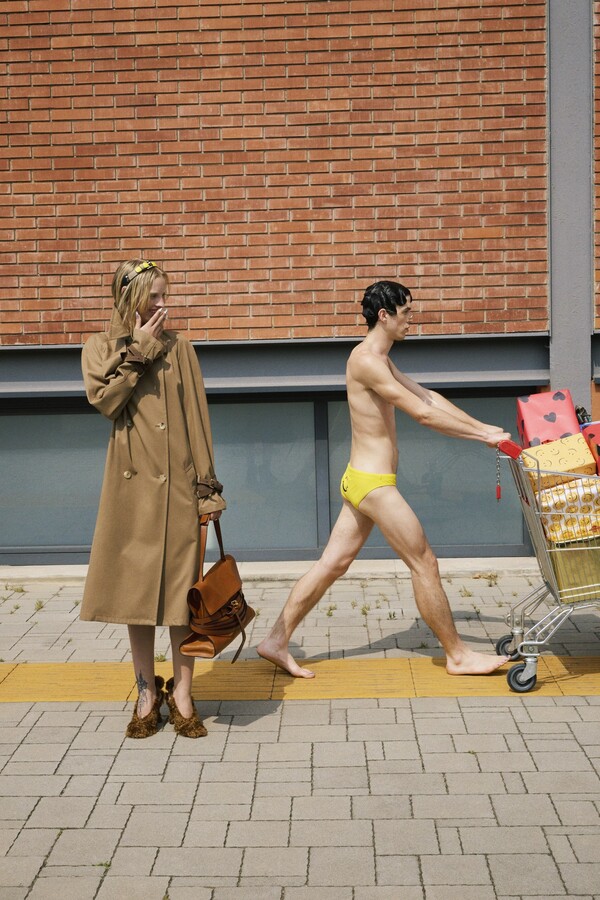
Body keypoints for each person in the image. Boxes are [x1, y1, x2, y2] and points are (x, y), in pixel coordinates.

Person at [257, 280, 511, 678]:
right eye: (406, 313)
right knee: (424, 562)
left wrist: (483, 426)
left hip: (364, 480)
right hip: (374, 486)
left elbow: (427, 397)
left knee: (331, 564)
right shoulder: (366, 361)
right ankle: (458, 655)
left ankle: (275, 640)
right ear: (384, 315)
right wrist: (481, 438)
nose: (412, 320)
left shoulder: (380, 358)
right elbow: (422, 414)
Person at [80, 259, 226, 738]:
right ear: (131, 299)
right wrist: (139, 349)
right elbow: (105, 402)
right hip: (131, 491)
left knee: (184, 598)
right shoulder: (100, 347)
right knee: (136, 597)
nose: (164, 304)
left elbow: (198, 418)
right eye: (154, 297)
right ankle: (146, 691)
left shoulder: (180, 348)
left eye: (166, 294)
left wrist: (208, 488)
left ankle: (182, 693)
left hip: (180, 488)